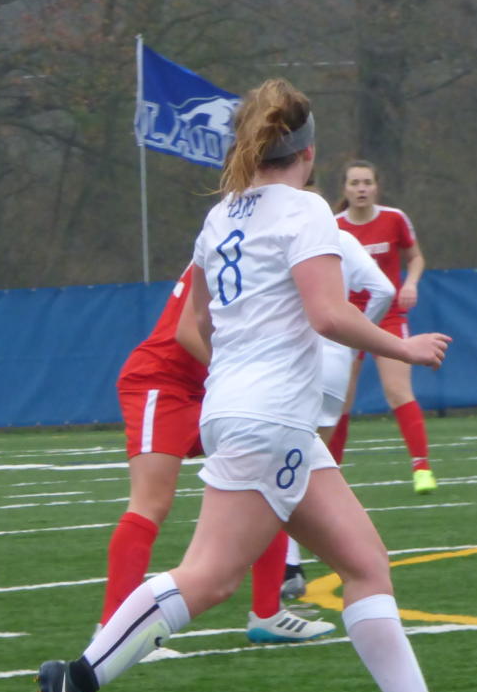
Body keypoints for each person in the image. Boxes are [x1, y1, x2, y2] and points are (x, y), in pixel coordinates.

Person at [38, 78, 477, 692]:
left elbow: (192, 325)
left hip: (249, 412)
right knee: (208, 578)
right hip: (268, 418)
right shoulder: (305, 211)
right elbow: (325, 313)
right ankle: (76, 678)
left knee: (363, 564)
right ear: (308, 151)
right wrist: (401, 347)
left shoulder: (221, 214)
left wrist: (249, 370)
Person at [103, 265, 336, 646]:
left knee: (267, 478)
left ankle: (267, 614)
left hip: (209, 391)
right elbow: (186, 330)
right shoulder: (225, 247)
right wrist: (238, 374)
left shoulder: (269, 253)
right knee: (151, 503)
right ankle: (113, 632)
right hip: (160, 384)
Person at [281, 228, 396, 598]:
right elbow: (385, 291)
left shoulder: (283, 235)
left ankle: (289, 566)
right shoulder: (341, 238)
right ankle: (338, 551)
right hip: (335, 362)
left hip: (294, 361)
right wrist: (356, 336)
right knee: (307, 466)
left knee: (284, 472)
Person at [332, 159, 437, 495]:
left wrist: (412, 283)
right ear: (345, 189)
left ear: (376, 186)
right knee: (340, 400)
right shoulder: (332, 226)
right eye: (354, 183)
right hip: (348, 318)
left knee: (397, 391)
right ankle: (331, 475)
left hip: (388, 316)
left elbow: (415, 257)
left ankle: (421, 468)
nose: (361, 189)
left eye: (367, 182)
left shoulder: (394, 219)